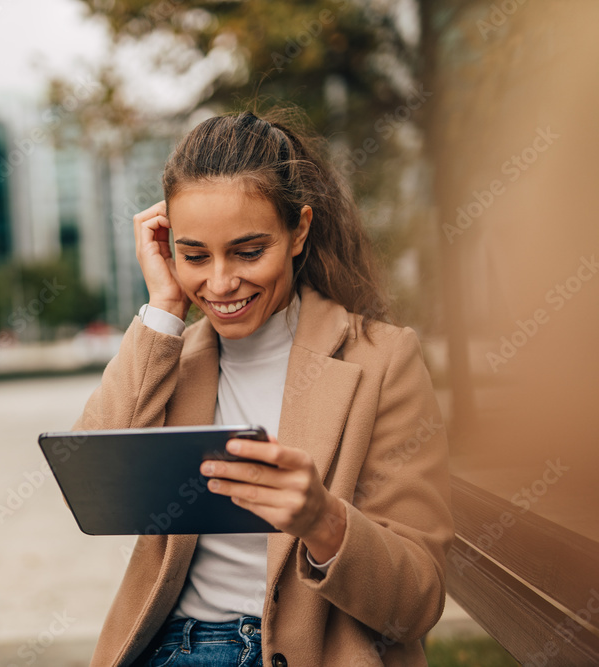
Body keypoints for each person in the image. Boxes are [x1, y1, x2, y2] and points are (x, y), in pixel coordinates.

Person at [70, 110, 454, 666]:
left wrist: (324, 521)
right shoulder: (168, 356)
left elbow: (417, 602)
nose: (221, 282)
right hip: (172, 648)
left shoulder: (383, 360)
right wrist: (163, 306)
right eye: (194, 255)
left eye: (249, 251)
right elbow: (97, 474)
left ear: (299, 230)